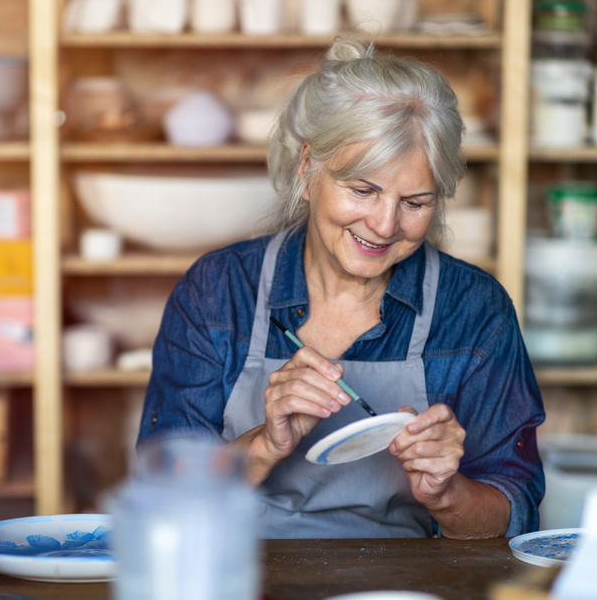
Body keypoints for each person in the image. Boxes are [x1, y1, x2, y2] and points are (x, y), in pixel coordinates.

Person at [139, 39, 544, 540]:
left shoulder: (475, 309)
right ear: (308, 167)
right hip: (239, 577)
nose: (384, 224)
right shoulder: (219, 293)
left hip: (402, 591)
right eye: (363, 190)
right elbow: (163, 496)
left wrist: (448, 494)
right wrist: (266, 444)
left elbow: (513, 514)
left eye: (415, 201)